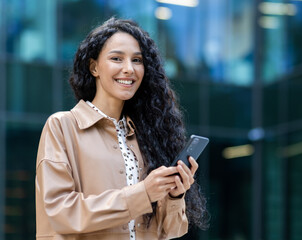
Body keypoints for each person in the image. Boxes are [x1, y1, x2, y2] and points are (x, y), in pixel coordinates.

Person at [35, 17, 208, 240]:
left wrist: (174, 196)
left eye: (137, 60)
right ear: (94, 66)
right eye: (117, 58)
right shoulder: (63, 126)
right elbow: (60, 212)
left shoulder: (145, 136)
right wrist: (142, 193)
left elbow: (170, 232)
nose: (129, 69)